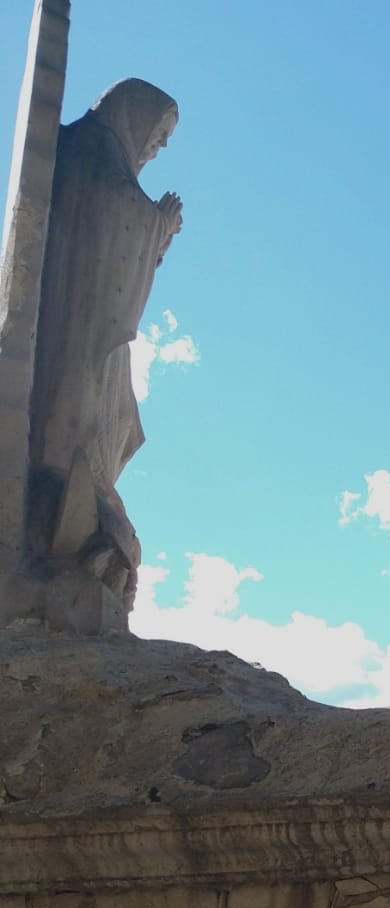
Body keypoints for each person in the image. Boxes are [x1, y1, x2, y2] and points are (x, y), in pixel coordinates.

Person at [25, 79, 184, 613]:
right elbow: (111, 217)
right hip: (73, 332)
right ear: (133, 113)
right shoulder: (88, 148)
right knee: (77, 423)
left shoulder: (106, 158)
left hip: (94, 332)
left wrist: (155, 236)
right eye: (158, 133)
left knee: (118, 426)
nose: (157, 147)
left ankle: (93, 521)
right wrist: (156, 224)